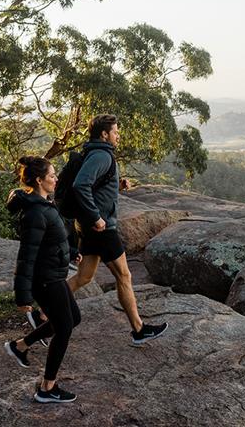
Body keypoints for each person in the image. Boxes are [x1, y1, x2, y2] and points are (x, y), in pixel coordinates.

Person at [67, 114, 168, 345]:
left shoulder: (95, 152)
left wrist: (116, 187)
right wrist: (96, 217)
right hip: (101, 228)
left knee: (84, 277)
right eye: (115, 131)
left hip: (91, 226)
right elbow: (80, 184)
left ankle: (42, 312)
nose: (118, 135)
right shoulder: (101, 155)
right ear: (104, 134)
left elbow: (94, 187)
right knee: (124, 275)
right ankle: (139, 329)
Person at [4, 156, 80, 403]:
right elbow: (26, 257)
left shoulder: (44, 204)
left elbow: (55, 237)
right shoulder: (35, 212)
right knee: (65, 327)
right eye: (52, 175)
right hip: (45, 279)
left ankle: (21, 345)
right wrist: (23, 296)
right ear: (39, 180)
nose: (56, 178)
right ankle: (47, 388)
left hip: (54, 274)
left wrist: (72, 252)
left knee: (73, 318)